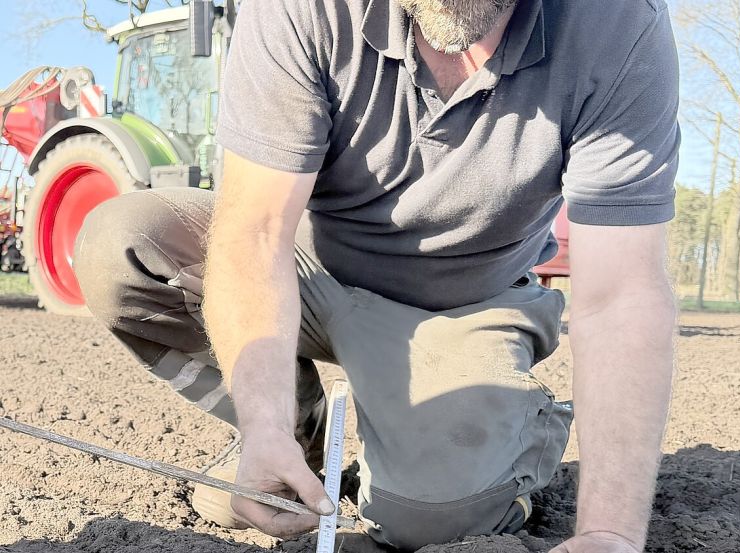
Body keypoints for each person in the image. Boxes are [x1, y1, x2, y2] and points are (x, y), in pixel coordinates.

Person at [74, 0, 680, 550]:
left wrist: (609, 532)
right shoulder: (301, 9)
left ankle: (511, 430)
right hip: (308, 267)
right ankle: (300, 436)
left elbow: (622, 294)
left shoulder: (617, 30)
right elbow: (255, 233)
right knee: (121, 247)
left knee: (430, 518)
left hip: (464, 302)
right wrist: (266, 425)